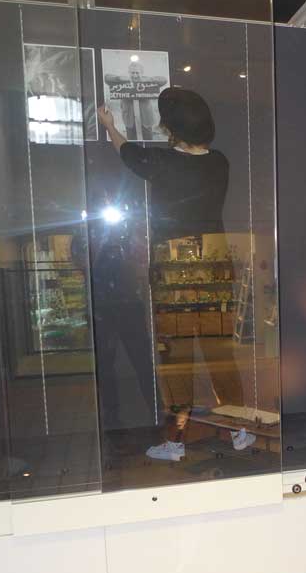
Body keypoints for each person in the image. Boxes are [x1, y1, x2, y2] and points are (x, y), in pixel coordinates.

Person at [97, 88, 254, 461]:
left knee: (177, 356)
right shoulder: (220, 163)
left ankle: (176, 441)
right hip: (215, 264)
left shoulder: (163, 163)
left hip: (176, 265)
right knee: (219, 352)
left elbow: (126, 152)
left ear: (171, 128)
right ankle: (239, 430)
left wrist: (110, 126)